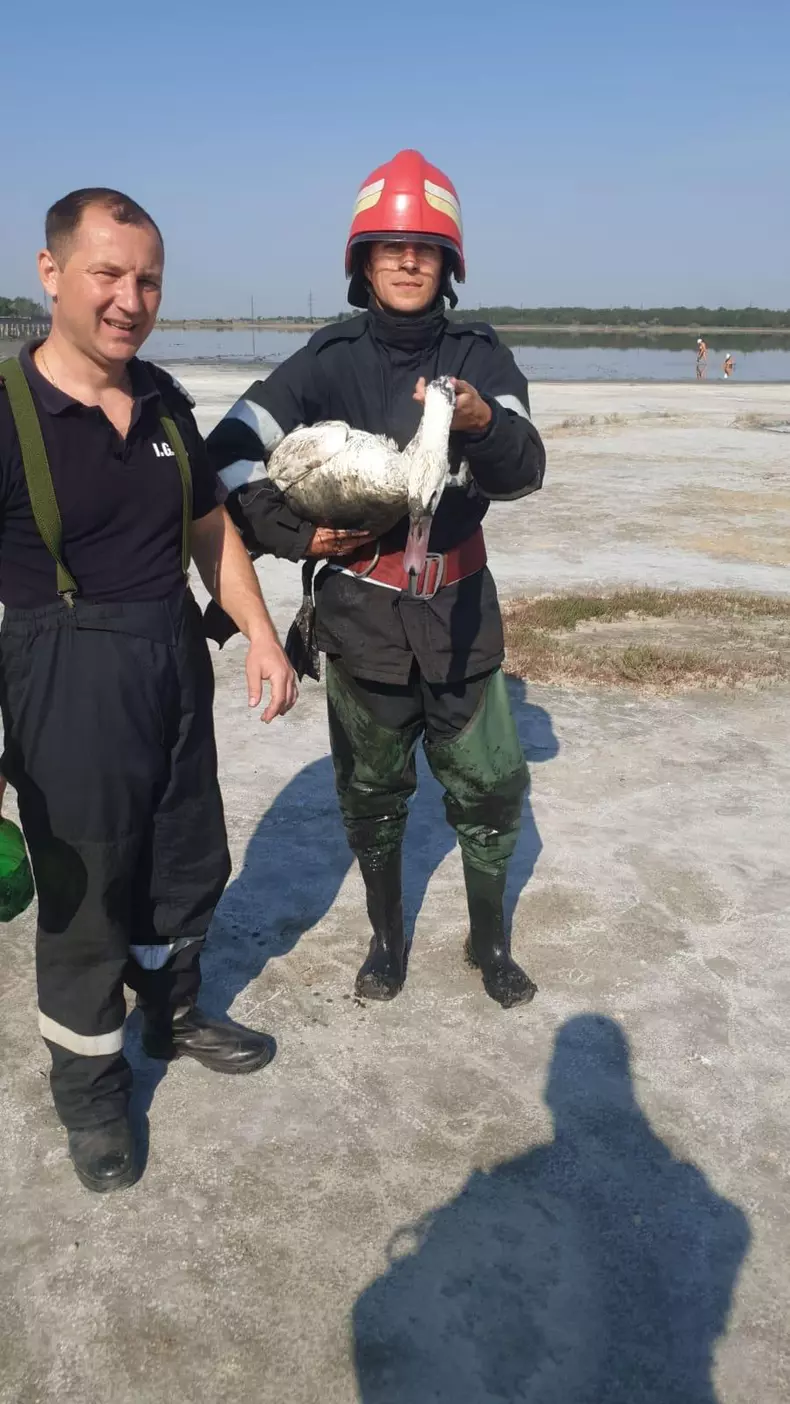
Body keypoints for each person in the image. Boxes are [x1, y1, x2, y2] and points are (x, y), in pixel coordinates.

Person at [0, 188, 297, 1192]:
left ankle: (173, 1017)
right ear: (53, 275)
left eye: (148, 279)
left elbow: (210, 529)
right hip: (64, 671)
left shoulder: (166, 398)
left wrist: (258, 634)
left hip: (171, 660)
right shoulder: (8, 414)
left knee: (180, 860)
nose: (130, 299)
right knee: (85, 896)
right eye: (107, 275)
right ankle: (91, 1098)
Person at [207, 149, 546, 1011]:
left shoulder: (481, 357)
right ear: (361, 261)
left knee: (494, 788)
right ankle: (387, 940)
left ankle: (488, 939)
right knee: (370, 793)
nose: (406, 260)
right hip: (360, 619)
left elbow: (525, 467)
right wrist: (296, 530)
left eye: (424, 248)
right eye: (389, 246)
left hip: (461, 615)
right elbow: (229, 455)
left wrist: (476, 424)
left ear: (449, 264)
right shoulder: (325, 360)